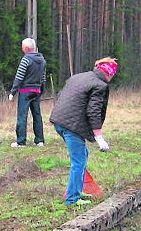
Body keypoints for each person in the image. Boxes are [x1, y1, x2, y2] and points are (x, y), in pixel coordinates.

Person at [50, 57, 118, 206]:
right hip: (71, 125)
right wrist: (99, 137)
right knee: (78, 160)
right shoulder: (100, 85)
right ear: (110, 74)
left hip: (59, 121)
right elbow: (93, 111)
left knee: (82, 155)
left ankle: (78, 190)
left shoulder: (79, 76)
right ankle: (72, 199)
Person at [9, 38, 47, 147]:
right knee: (37, 115)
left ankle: (21, 141)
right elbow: (43, 78)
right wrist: (41, 91)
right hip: (37, 91)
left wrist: (13, 92)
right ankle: (40, 140)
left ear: (26, 48)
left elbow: (19, 77)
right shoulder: (43, 60)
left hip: (25, 91)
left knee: (22, 116)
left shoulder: (26, 59)